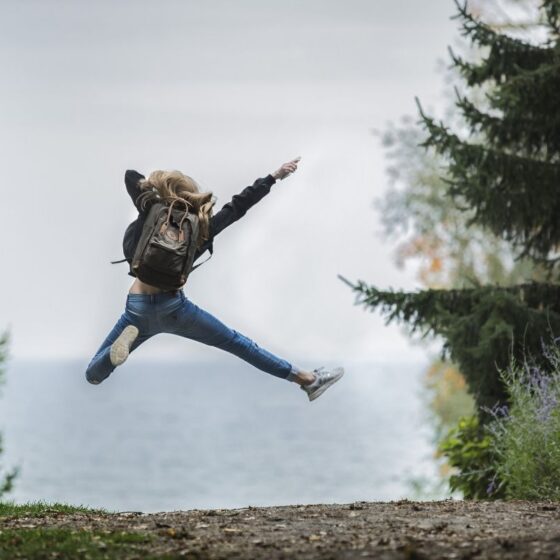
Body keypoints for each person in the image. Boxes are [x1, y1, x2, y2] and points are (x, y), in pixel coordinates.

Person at [85, 157, 344, 401]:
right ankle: (308, 380)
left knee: (93, 375)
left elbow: (131, 176)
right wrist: (273, 177)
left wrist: (157, 191)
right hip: (175, 309)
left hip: (137, 308)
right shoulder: (200, 227)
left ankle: (114, 355)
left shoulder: (152, 210)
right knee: (239, 344)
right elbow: (238, 207)